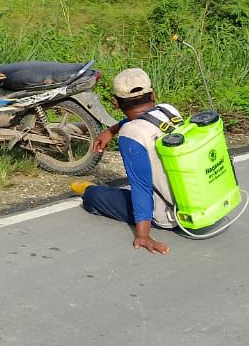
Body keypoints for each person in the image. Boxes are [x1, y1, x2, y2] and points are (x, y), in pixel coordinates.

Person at [70, 68, 178, 255]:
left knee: (95, 196)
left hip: (169, 216)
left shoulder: (131, 135)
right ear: (153, 94)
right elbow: (145, 117)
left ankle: (88, 190)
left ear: (116, 103)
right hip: (199, 203)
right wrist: (112, 129)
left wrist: (143, 235)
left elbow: (141, 187)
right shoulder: (169, 111)